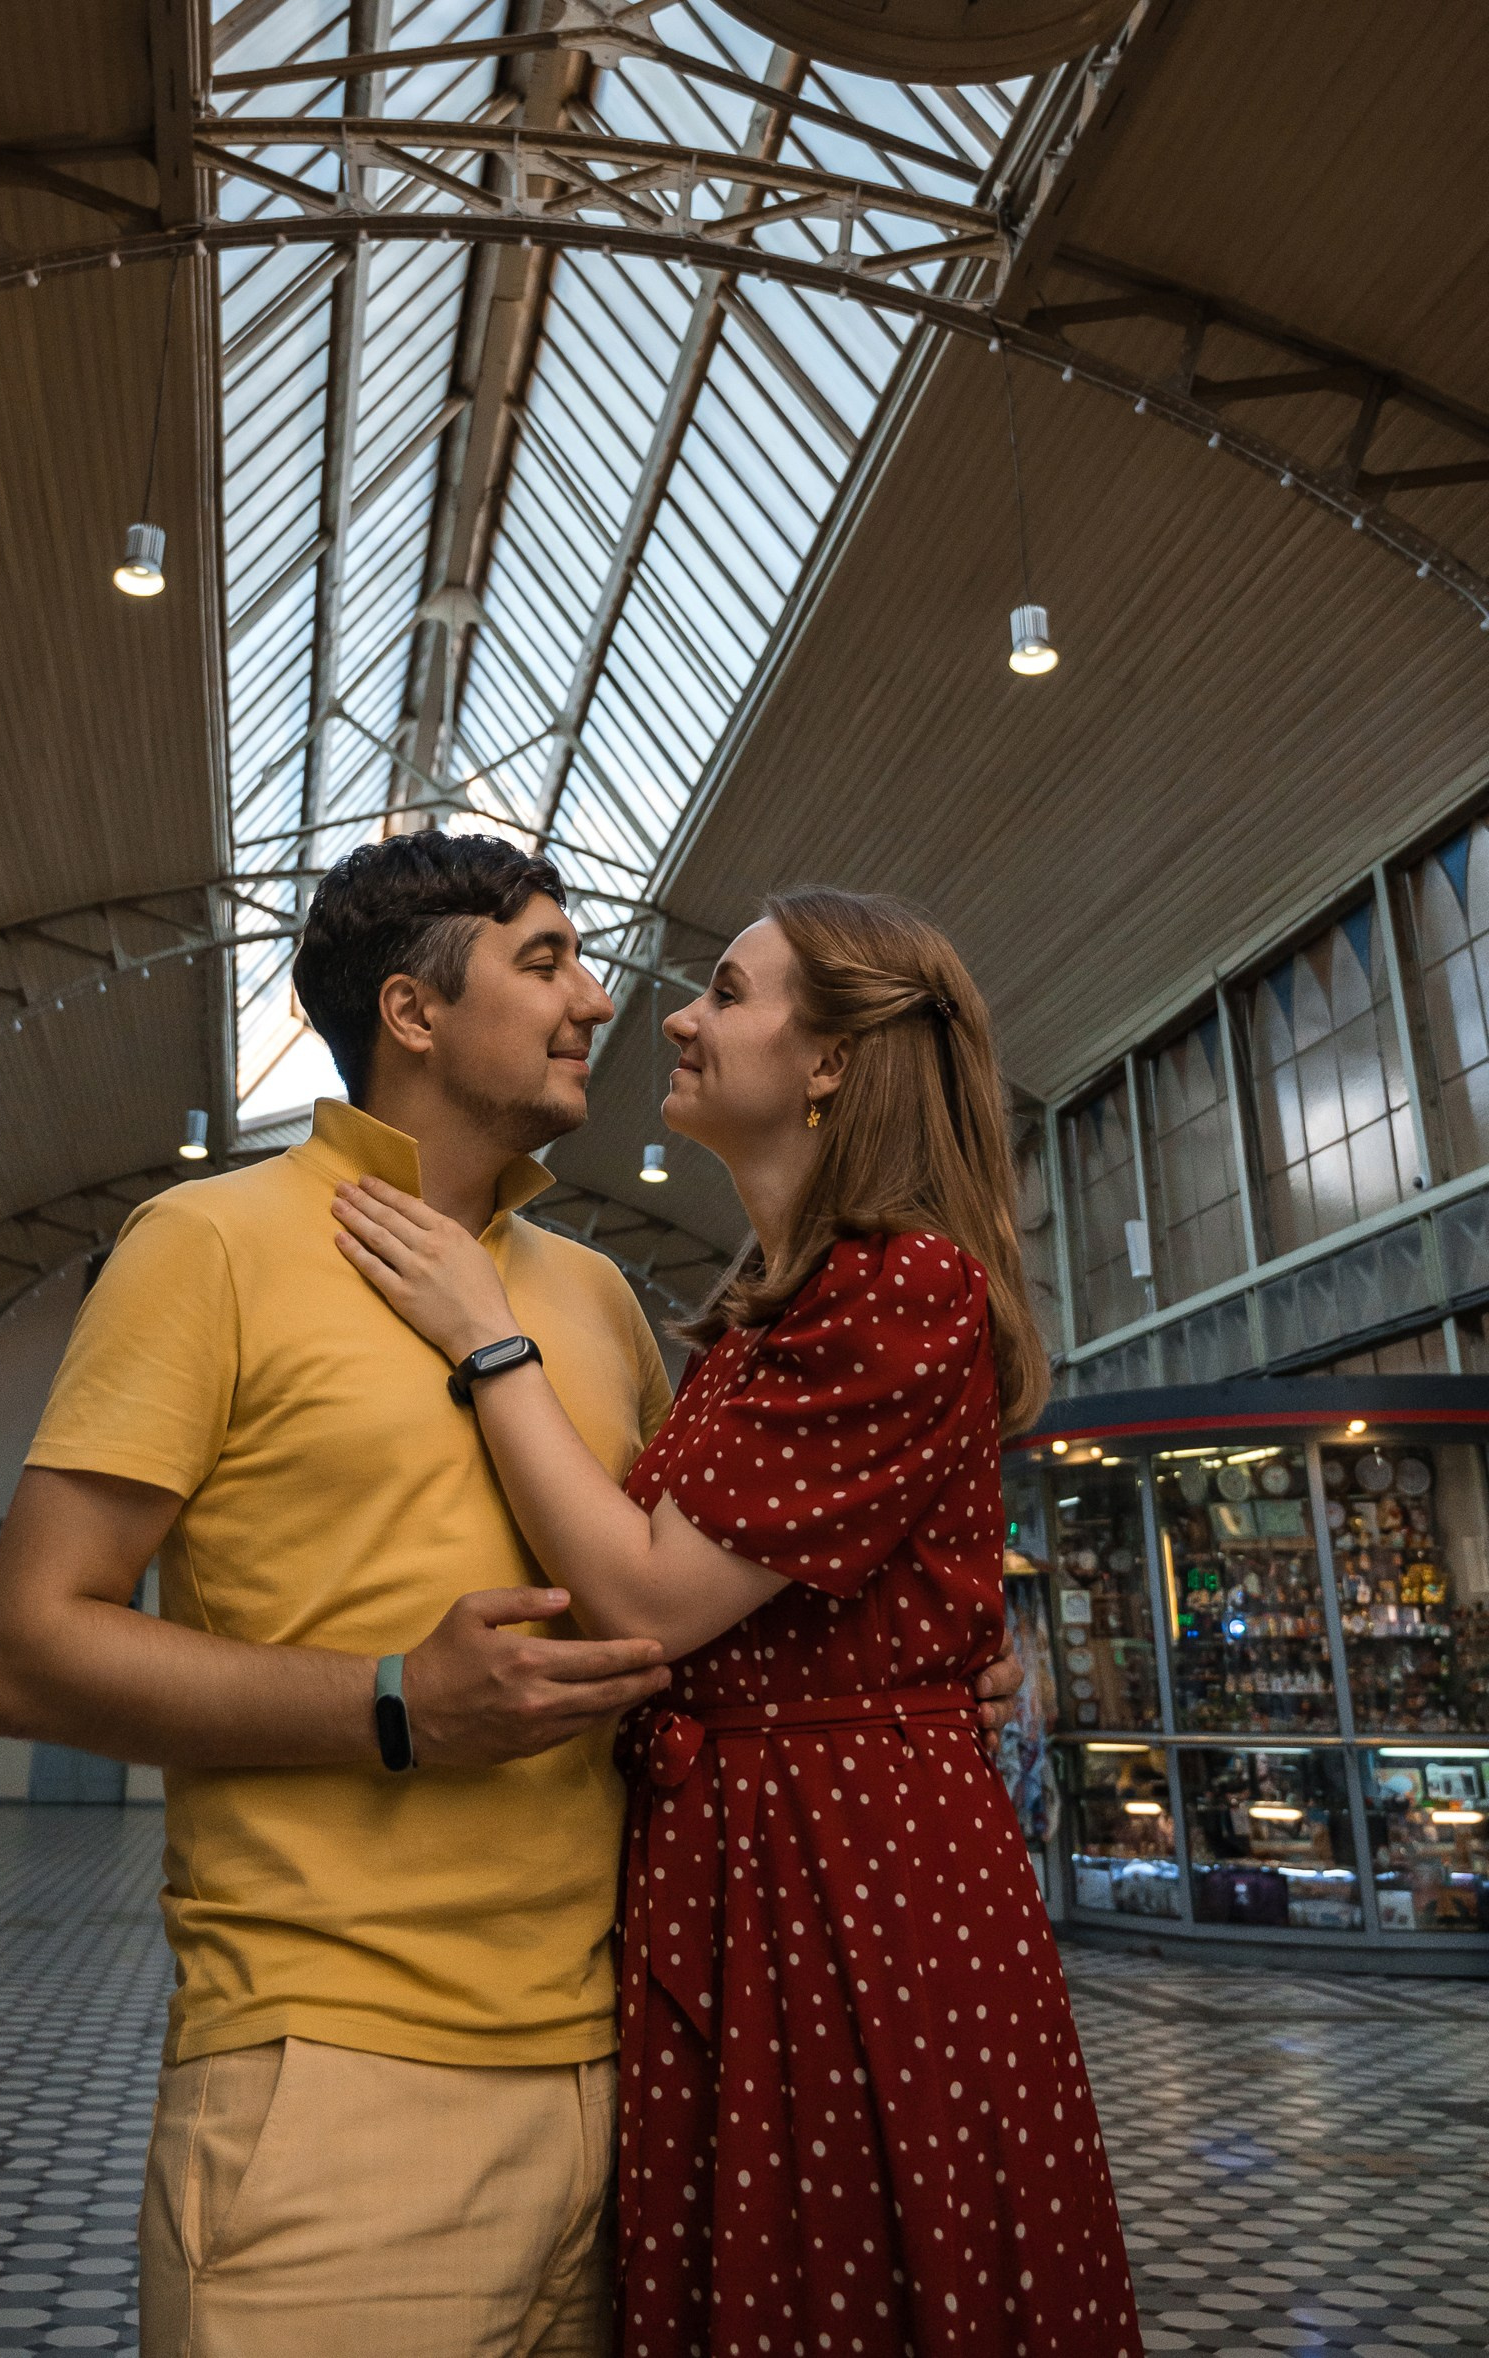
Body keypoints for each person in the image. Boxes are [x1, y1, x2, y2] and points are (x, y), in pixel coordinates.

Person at [0, 833, 1022, 2358]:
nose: (601, 998)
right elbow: (21, 1654)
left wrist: (923, 1668)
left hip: (644, 2074)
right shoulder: (208, 1244)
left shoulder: (595, 1299)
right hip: (339, 2077)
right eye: (547, 960)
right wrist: (395, 1701)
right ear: (411, 1012)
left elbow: (691, 1595)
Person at [335, 884, 1140, 2358]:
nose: (679, 1017)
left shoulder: (902, 1285)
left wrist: (482, 1332)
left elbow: (646, 1591)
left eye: (728, 990)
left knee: (848, 2273)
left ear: (831, 1059)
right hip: (772, 1856)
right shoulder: (781, 1301)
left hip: (854, 1886)